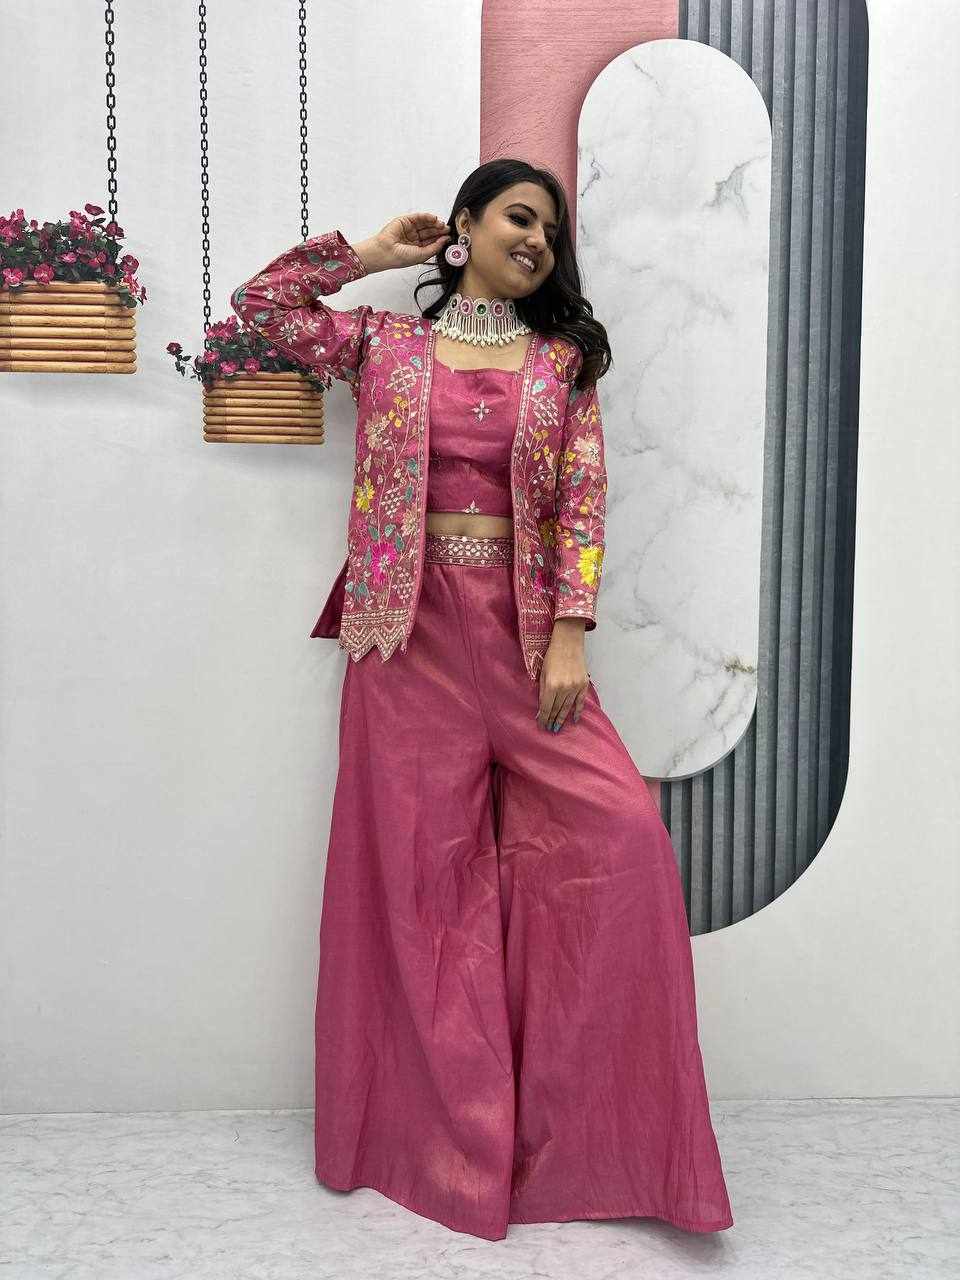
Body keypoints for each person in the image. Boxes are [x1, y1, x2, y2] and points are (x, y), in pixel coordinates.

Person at [231, 158, 734, 1242]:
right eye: (518, 217)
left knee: (624, 837)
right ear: (466, 224)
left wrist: (569, 632)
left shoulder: (563, 364)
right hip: (402, 638)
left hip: (525, 639)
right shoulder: (385, 347)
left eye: (550, 231)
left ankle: (596, 1149)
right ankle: (440, 1157)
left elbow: (583, 503)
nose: (537, 241)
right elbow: (261, 305)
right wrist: (370, 253)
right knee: (418, 887)